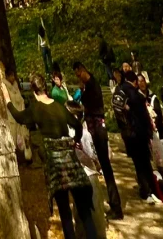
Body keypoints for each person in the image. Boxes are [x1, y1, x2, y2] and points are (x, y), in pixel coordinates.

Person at [13, 75, 96, 239]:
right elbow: (77, 125)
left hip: (55, 165)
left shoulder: (36, 108)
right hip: (70, 160)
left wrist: (7, 100)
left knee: (65, 212)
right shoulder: (58, 106)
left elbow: (19, 117)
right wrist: (75, 140)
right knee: (84, 209)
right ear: (45, 88)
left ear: (33, 91)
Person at [73, 63, 122, 219]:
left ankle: (116, 207)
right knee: (104, 168)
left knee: (106, 169)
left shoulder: (92, 86)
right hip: (95, 129)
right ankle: (114, 203)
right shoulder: (90, 84)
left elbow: (90, 106)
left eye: (78, 74)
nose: (78, 77)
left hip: (98, 130)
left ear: (83, 70)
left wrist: (81, 90)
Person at [113, 67, 159, 203]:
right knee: (146, 163)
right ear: (135, 82)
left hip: (130, 135)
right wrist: (148, 132)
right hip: (141, 134)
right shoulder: (137, 95)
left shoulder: (120, 93)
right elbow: (144, 116)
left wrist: (126, 130)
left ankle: (146, 192)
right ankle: (153, 190)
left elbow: (118, 113)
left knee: (138, 164)